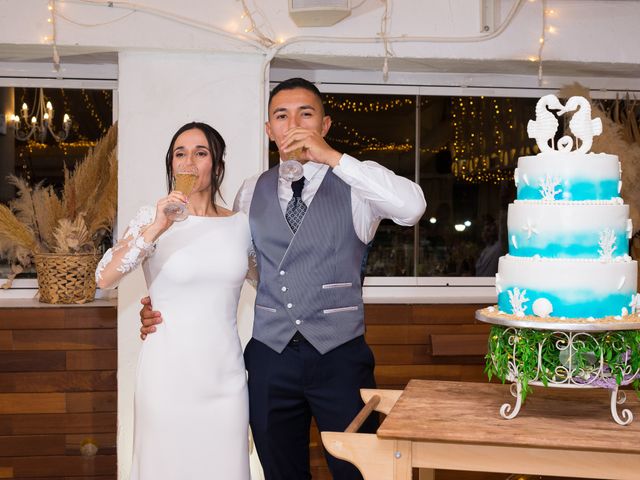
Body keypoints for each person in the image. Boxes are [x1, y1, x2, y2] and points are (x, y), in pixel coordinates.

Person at [140, 78, 426, 480]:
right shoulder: (248, 191)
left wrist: (332, 158)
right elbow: (236, 265)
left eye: (305, 114)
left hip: (340, 357)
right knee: (280, 471)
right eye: (281, 115)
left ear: (324, 125)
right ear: (269, 130)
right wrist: (166, 304)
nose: (293, 124)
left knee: (358, 471)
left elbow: (412, 207)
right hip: (270, 358)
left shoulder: (358, 184)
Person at [96, 122, 252, 479]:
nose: (188, 162)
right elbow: (104, 278)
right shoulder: (150, 220)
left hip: (224, 377)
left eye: (201, 153)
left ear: (217, 164)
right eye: (180, 154)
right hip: (167, 375)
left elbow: (271, 283)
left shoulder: (241, 225)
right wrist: (156, 227)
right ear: (170, 165)